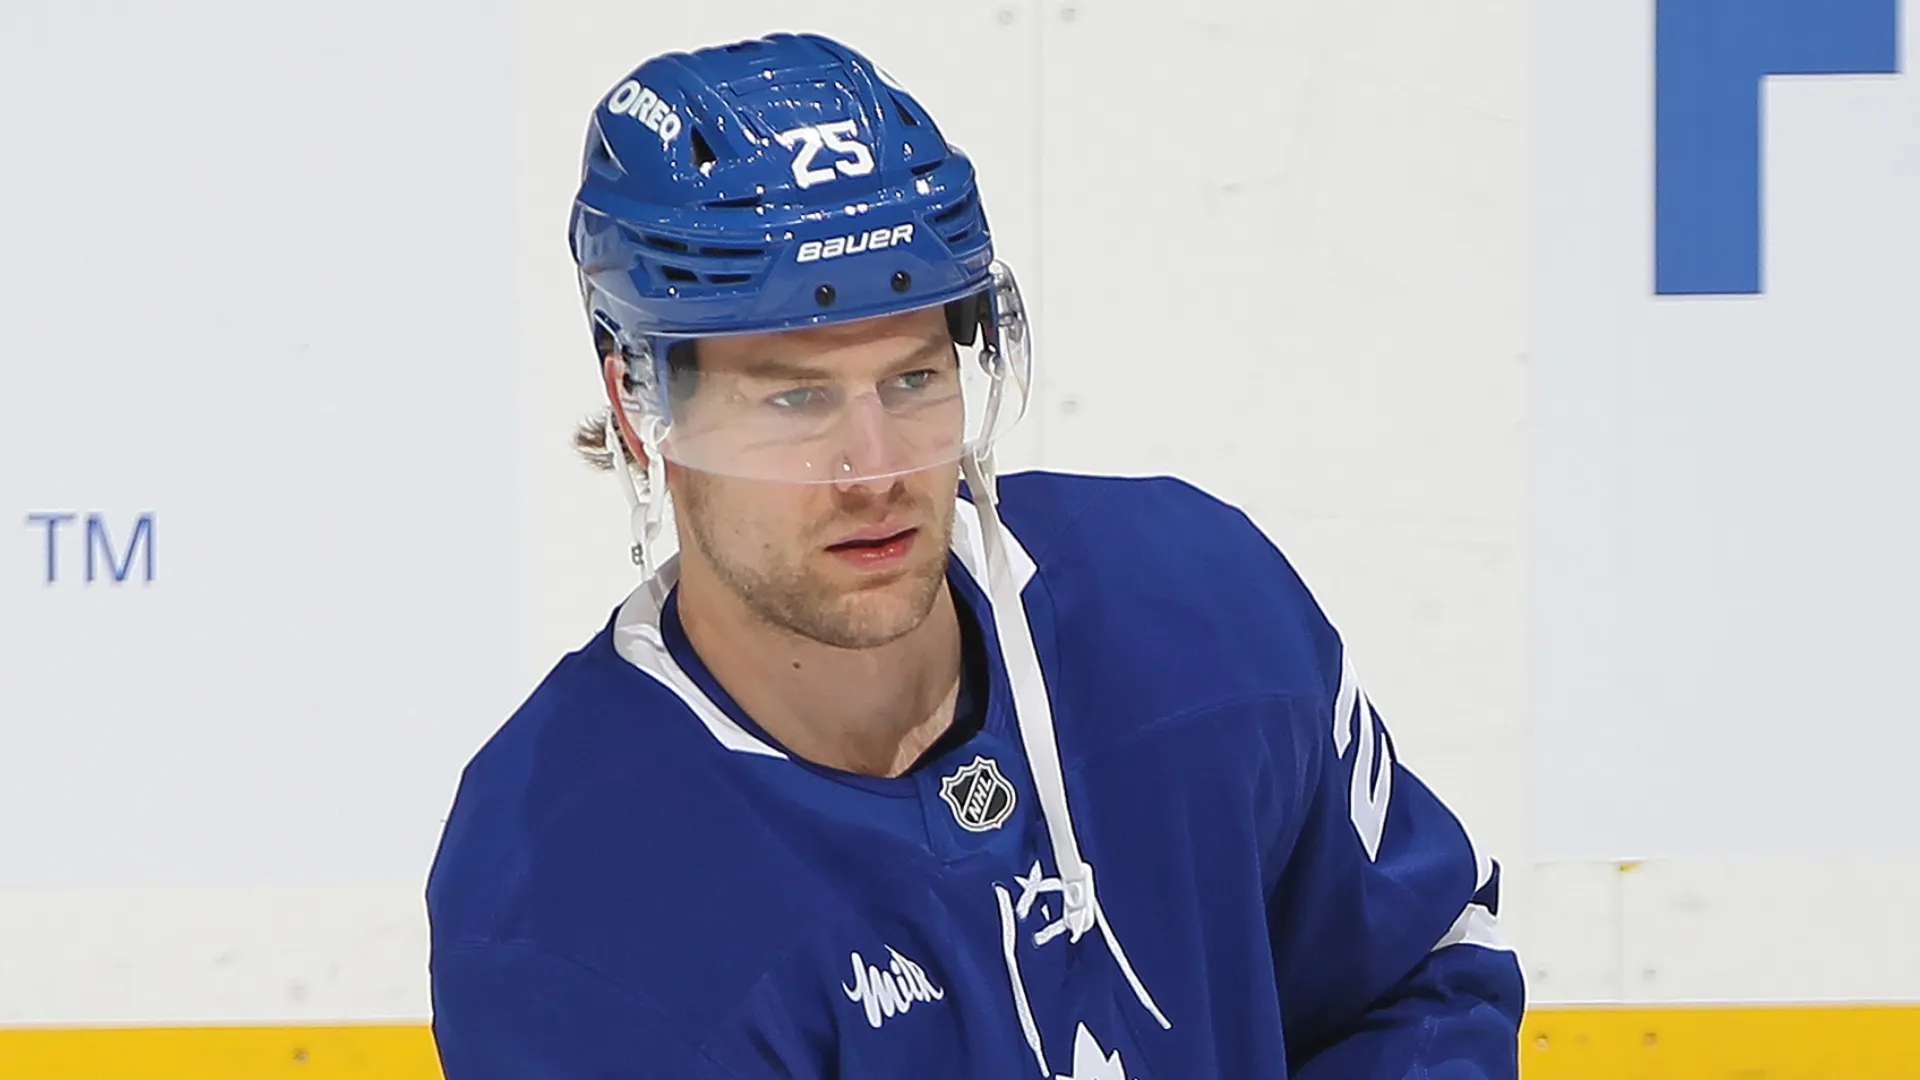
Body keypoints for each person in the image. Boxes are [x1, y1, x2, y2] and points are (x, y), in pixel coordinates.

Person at [426, 30, 1524, 1080]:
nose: (875, 468)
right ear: (637, 404)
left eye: (912, 380)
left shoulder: (1195, 617)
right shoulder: (564, 892)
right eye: (796, 398)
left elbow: (1417, 973)